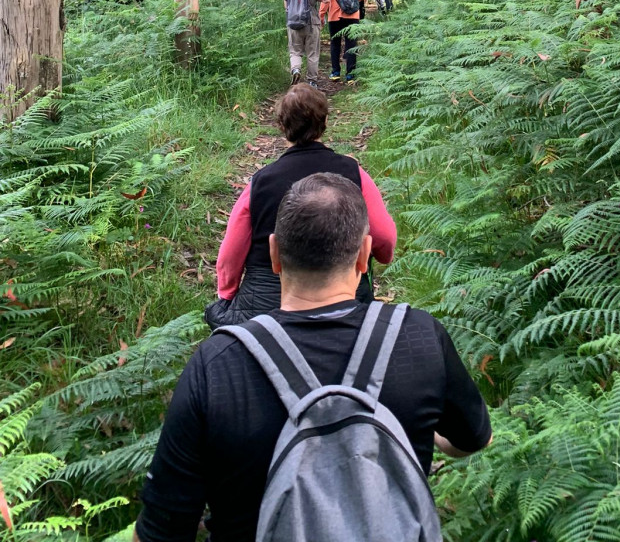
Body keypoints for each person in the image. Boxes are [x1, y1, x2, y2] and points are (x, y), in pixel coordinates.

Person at [138, 173, 492, 542]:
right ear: (363, 256)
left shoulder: (218, 363)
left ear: (274, 254)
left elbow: (163, 529)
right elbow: (473, 438)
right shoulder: (419, 337)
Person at [205, 85, 396, 328]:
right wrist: (380, 256)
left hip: (268, 298)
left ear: (282, 126)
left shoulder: (260, 182)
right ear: (325, 121)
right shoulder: (355, 174)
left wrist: (227, 294)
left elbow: (230, 253)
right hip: (344, 291)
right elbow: (385, 238)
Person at [322, 0, 367, 83]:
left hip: (335, 16)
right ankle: (350, 75)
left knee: (335, 44)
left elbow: (326, 0)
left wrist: (321, 15)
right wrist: (357, 0)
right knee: (351, 44)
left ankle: (335, 72)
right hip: (352, 15)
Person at [283, 0, 328, 86]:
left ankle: (296, 69)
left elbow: (286, 5)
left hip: (293, 24)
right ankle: (311, 81)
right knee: (312, 53)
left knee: (295, 51)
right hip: (312, 24)